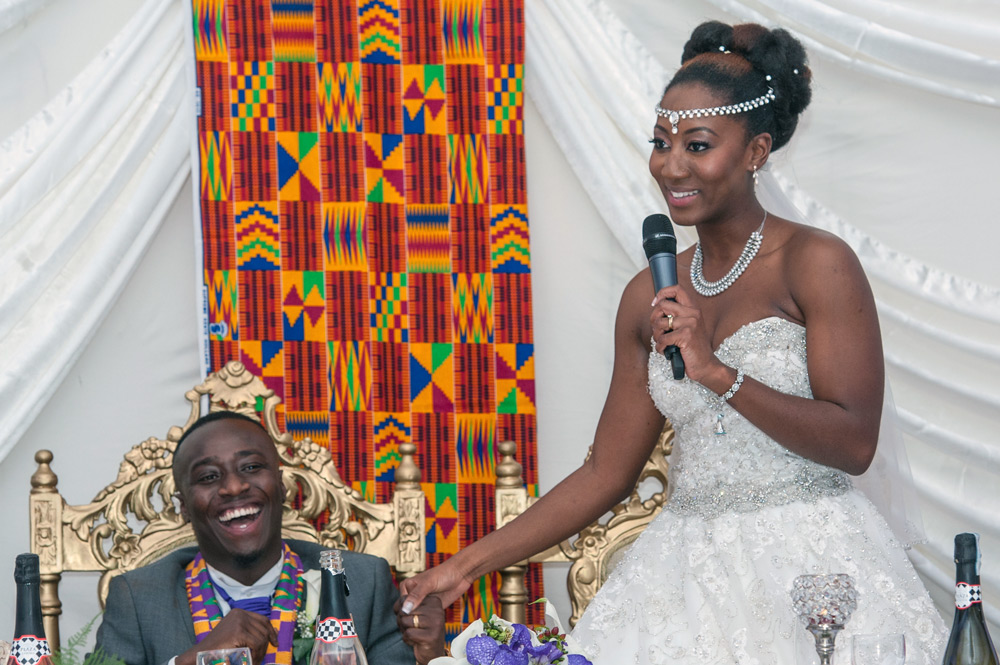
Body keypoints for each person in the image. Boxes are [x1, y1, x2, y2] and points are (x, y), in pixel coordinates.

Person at [398, 20, 948, 664]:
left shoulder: (816, 263)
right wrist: (463, 567)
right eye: (661, 143)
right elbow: (606, 473)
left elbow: (853, 444)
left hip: (813, 571)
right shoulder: (648, 294)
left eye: (698, 145)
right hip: (684, 575)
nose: (672, 165)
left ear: (756, 151)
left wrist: (717, 373)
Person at [94, 411, 445, 665]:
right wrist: (194, 660)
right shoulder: (138, 598)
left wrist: (430, 656)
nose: (234, 487)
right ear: (183, 506)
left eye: (251, 467)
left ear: (282, 485)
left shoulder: (362, 581)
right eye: (209, 476)